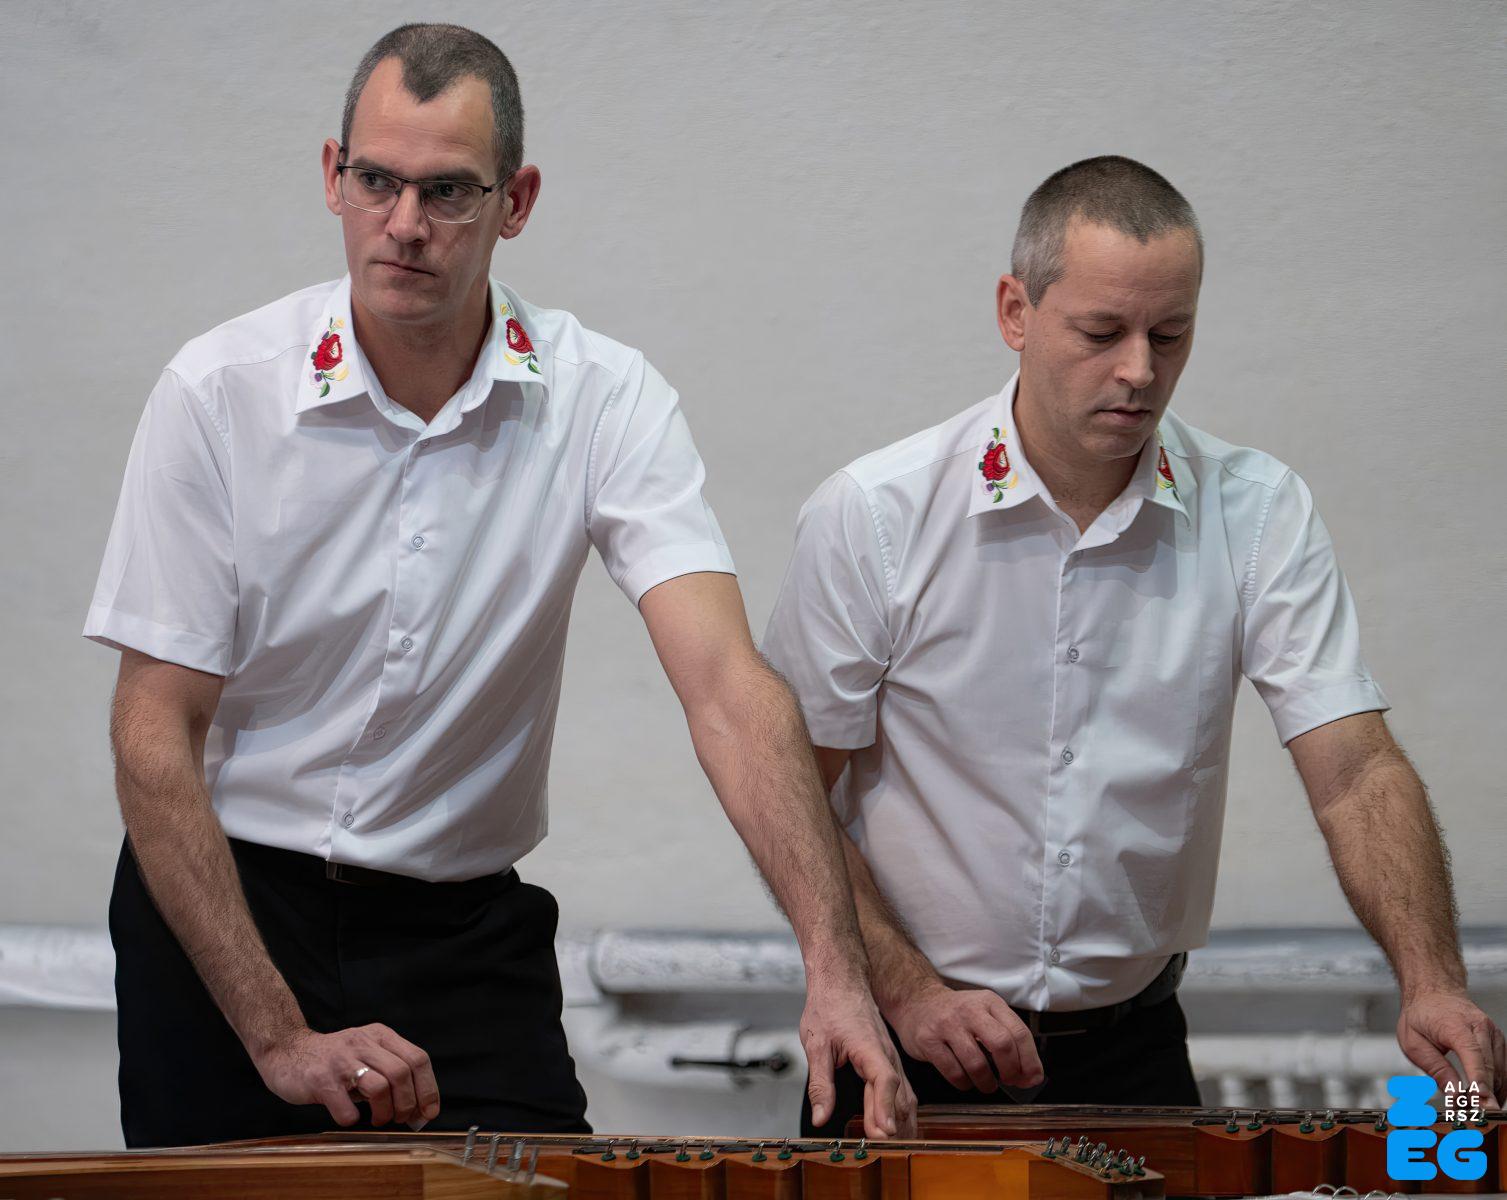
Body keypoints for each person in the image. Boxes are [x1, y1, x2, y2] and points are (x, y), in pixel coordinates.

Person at [84, 23, 911, 1148]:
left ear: (514, 200)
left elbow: (726, 688)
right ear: (331, 176)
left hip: (462, 931)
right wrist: (277, 1036)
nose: (404, 224)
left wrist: (836, 969)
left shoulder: (603, 398)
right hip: (228, 907)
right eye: (376, 181)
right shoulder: (219, 392)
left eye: (447, 192)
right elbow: (153, 732)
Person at [762, 155, 1506, 1137]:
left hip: (1134, 1048)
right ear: (1015, 311)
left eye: (1169, 334)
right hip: (904, 1041)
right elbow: (788, 792)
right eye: (1101, 332)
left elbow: (1355, 770)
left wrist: (1431, 980)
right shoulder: (876, 514)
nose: (1139, 371)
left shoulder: (1255, 511)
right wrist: (904, 988)